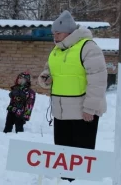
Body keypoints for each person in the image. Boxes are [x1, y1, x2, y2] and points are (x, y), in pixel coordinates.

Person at [37, 10, 107, 182]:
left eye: (58, 33)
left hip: (84, 113)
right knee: (63, 156)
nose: (55, 37)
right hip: (61, 112)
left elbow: (97, 80)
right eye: (53, 34)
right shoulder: (56, 50)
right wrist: (45, 78)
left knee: (80, 157)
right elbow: (49, 70)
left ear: (69, 32)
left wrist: (90, 108)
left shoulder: (88, 47)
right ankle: (64, 181)